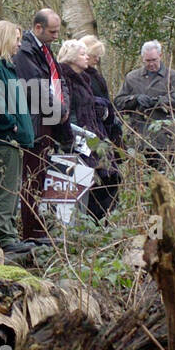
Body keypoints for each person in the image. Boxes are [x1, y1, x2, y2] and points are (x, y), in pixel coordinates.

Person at [13, 9, 69, 245]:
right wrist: (59, 111)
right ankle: (31, 231)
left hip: (49, 122)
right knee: (32, 178)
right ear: (38, 28)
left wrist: (63, 107)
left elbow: (59, 81)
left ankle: (37, 227)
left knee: (41, 177)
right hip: (36, 124)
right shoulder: (25, 52)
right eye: (53, 31)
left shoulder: (46, 50)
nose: (57, 36)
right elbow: (34, 88)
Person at [0, 21, 35, 253]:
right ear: (4, 38)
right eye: (16, 38)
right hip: (2, 139)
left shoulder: (8, 66)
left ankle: (5, 234)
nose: (20, 44)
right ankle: (4, 237)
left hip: (13, 140)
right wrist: (10, 125)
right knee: (5, 188)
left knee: (12, 188)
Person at [57, 39, 116, 221]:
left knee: (110, 177)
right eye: (83, 54)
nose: (88, 58)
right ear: (73, 58)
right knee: (82, 185)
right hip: (76, 141)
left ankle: (99, 224)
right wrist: (74, 139)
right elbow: (66, 111)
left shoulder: (85, 78)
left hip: (92, 138)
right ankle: (83, 226)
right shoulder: (64, 78)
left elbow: (89, 105)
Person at [114, 39, 175, 166]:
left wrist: (156, 102)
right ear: (142, 59)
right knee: (141, 180)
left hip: (164, 138)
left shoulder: (173, 76)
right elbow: (118, 102)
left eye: (154, 60)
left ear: (160, 56)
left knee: (163, 179)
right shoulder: (132, 77)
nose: (151, 64)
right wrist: (135, 99)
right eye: (148, 61)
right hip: (138, 138)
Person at [79, 34, 122, 219]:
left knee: (112, 178)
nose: (97, 59)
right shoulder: (80, 77)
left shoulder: (94, 75)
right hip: (91, 137)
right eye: (95, 55)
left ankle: (104, 221)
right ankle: (96, 221)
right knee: (101, 180)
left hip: (105, 133)